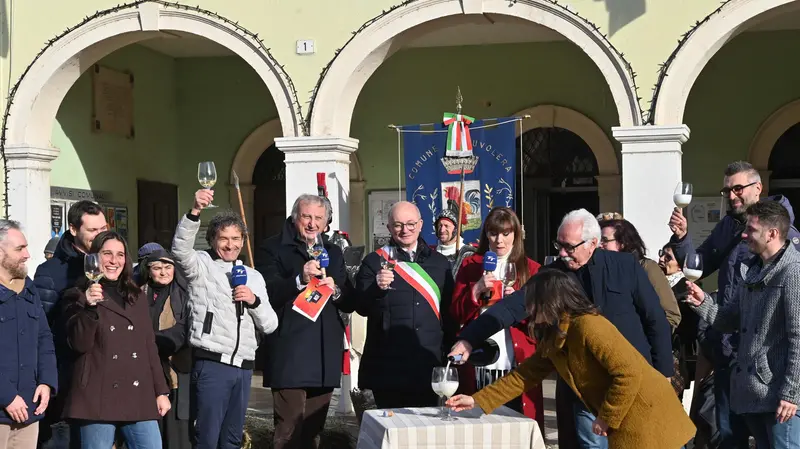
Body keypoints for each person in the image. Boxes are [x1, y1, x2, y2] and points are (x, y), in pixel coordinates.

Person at [450, 208, 673, 449]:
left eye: (570, 247)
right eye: (559, 246)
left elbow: (655, 321)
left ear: (593, 243)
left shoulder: (625, 266)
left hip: (629, 386)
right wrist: (469, 339)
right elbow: (511, 307)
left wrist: (664, 376)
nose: (563, 254)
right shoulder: (553, 274)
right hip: (581, 391)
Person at [447, 269, 695, 449]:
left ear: (551, 301)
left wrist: (605, 418)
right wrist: (477, 401)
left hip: (649, 417)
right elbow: (524, 376)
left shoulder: (589, 326)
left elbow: (628, 374)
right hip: (627, 421)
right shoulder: (555, 336)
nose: (529, 309)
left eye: (533, 302)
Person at [668, 161, 800, 449]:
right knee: (728, 438)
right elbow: (702, 265)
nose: (731, 195)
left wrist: (792, 392)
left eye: (737, 188)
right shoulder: (733, 230)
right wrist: (682, 240)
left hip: (770, 374)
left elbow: (796, 335)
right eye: (726, 190)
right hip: (733, 357)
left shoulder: (788, 256)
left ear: (758, 188)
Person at [171, 189, 278, 449]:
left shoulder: (253, 276)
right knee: (206, 437)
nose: (230, 245)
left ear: (243, 241)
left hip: (244, 367)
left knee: (232, 438)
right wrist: (194, 211)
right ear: (212, 239)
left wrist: (253, 301)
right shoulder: (202, 265)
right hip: (212, 364)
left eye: (236, 238)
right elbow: (180, 249)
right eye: (224, 238)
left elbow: (270, 324)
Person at [255, 194, 355, 449]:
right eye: (306, 217)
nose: (312, 223)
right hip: (290, 351)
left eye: (318, 218)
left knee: (313, 432)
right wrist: (299, 277)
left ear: (326, 221)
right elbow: (269, 293)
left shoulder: (333, 252)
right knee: (288, 430)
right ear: (294, 217)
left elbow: (349, 299)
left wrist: (338, 291)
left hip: (325, 353)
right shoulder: (271, 247)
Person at [61, 231, 171, 448]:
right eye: (107, 254)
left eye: (120, 255)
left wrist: (161, 391)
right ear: (93, 258)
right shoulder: (76, 294)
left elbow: (148, 345)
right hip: (97, 396)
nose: (114, 261)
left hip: (138, 394)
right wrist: (88, 307)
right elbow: (79, 344)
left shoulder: (136, 295)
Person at [354, 201, 455, 408]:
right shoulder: (374, 262)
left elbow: (449, 314)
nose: (405, 230)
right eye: (398, 225)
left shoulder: (440, 264)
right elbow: (361, 307)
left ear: (420, 225)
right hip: (387, 367)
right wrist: (376, 288)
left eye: (410, 224)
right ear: (389, 227)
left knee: (426, 432)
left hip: (428, 363)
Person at [449, 207, 543, 429]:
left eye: (506, 233)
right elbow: (455, 314)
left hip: (515, 361)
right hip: (479, 362)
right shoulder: (471, 265)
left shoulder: (532, 269)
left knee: (515, 428)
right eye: (493, 233)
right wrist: (474, 291)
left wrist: (520, 306)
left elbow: (541, 323)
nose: (499, 240)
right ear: (486, 235)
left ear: (516, 235)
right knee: (479, 429)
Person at [33, 201, 107, 448]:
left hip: (105, 377)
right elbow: (43, 329)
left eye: (103, 228)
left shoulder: (113, 266)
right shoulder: (51, 272)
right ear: (74, 229)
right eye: (93, 230)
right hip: (68, 381)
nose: (100, 235)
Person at [0, 220, 57, 449]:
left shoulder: (28, 289)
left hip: (27, 411)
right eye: (19, 249)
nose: (28, 255)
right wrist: (6, 396)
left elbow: (44, 338)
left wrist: (46, 381)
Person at [139, 249, 192, 449]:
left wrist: (148, 343)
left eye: (168, 267)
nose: (163, 272)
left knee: (177, 435)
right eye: (157, 268)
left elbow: (183, 331)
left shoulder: (183, 294)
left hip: (175, 372)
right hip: (144, 375)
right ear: (148, 270)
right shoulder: (138, 293)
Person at [598, 218, 681, 330]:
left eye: (604, 240)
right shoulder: (600, 271)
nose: (599, 245)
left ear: (622, 243)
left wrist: (646, 340)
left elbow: (671, 315)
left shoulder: (647, 268)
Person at [658, 243, 701, 399]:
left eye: (668, 257)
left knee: (672, 402)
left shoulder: (687, 288)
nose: (661, 259)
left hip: (676, 354)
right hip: (657, 352)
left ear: (681, 265)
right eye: (661, 254)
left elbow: (690, 327)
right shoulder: (656, 282)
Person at [431, 207, 475, 276]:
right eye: (440, 226)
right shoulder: (431, 253)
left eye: (446, 226)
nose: (442, 230)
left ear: (455, 229)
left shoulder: (468, 253)